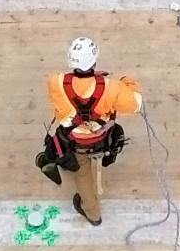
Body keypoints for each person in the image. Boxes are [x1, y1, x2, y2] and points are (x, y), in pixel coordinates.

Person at [36, 37, 141, 224]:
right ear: (94, 61)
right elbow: (135, 105)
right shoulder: (112, 87)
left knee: (83, 174)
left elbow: (66, 101)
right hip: (101, 138)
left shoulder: (56, 82)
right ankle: (107, 157)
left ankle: (93, 213)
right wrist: (126, 83)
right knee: (113, 132)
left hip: (74, 141)